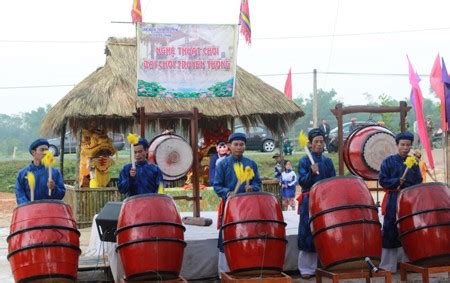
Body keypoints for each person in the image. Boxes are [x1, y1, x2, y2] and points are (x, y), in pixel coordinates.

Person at [213, 132, 262, 275]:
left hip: (247, 208)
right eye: (236, 144)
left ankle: (244, 269)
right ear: (229, 146)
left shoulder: (250, 164)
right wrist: (228, 193)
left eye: (241, 145)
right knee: (227, 238)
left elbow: (257, 182)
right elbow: (217, 185)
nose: (239, 147)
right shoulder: (222, 164)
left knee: (246, 236)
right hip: (230, 207)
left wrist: (253, 188)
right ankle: (224, 273)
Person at [379, 131, 422, 273]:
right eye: (402, 145)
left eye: (408, 145)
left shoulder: (413, 163)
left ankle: (407, 263)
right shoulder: (388, 161)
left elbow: (419, 181)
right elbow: (383, 181)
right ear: (397, 145)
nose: (405, 147)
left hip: (408, 200)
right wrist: (397, 181)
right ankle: (388, 266)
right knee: (391, 229)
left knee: (407, 229)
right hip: (393, 199)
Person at [297, 128, 336, 279]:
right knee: (307, 233)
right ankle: (306, 269)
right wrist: (311, 173)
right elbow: (302, 181)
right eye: (316, 142)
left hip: (325, 201)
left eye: (321, 141)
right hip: (309, 200)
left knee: (324, 231)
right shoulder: (304, 160)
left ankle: (324, 265)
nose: (319, 144)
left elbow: (332, 181)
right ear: (310, 144)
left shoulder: (328, 161)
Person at [15, 138, 66, 205]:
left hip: (50, 211)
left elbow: (61, 195)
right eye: (42, 150)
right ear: (33, 152)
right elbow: (20, 195)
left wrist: (54, 188)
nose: (45, 153)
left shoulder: (55, 172)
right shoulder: (22, 174)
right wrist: (28, 206)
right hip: (31, 212)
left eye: (47, 150)